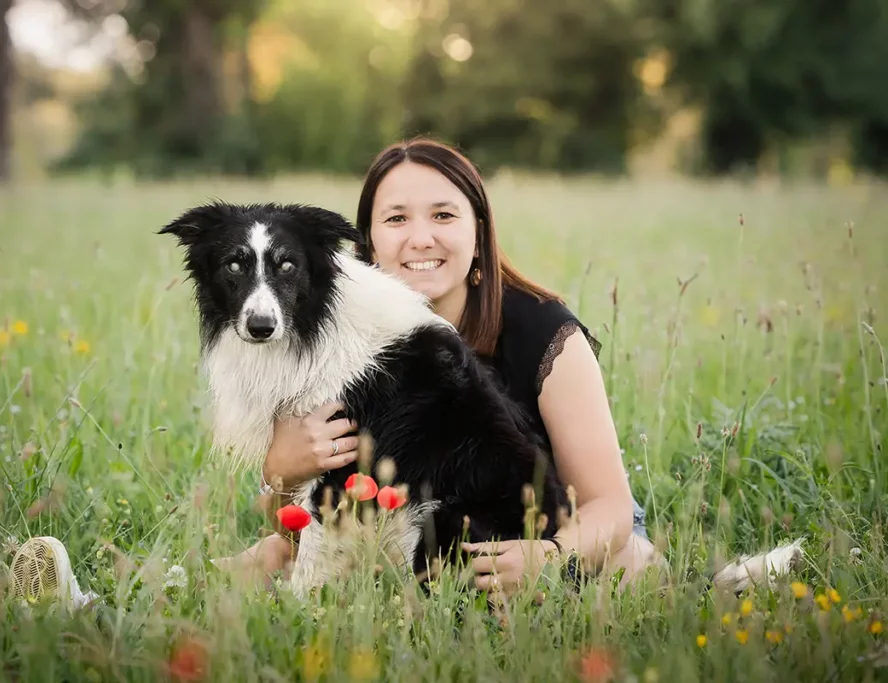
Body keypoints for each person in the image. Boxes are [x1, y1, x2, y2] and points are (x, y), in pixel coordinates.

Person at [213, 137, 662, 593]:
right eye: (396, 219)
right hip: (416, 530)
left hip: (563, 528)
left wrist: (546, 557)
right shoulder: (333, 343)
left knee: (632, 565)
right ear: (365, 245)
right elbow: (308, 519)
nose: (421, 238)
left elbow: (609, 506)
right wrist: (283, 471)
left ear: (479, 231)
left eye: (444, 215)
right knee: (269, 554)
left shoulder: (544, 329)